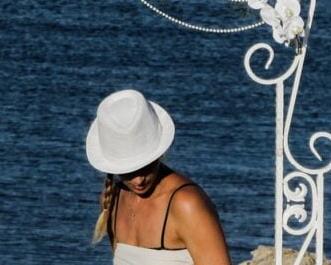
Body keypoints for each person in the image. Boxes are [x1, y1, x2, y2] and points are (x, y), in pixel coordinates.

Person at [86, 89, 231, 265]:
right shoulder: (112, 200)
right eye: (128, 170)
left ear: (158, 154)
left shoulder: (186, 203)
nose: (139, 180)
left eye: (146, 166)